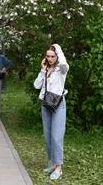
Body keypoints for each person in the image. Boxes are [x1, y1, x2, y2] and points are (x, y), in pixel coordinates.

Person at [34, 44, 69, 180]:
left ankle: (59, 167)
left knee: (57, 136)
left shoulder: (61, 69)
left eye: (52, 56)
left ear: (57, 56)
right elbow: (36, 85)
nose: (50, 59)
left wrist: (58, 49)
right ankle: (54, 164)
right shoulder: (46, 70)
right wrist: (43, 71)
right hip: (46, 104)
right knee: (48, 136)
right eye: (47, 56)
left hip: (58, 104)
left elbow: (65, 63)